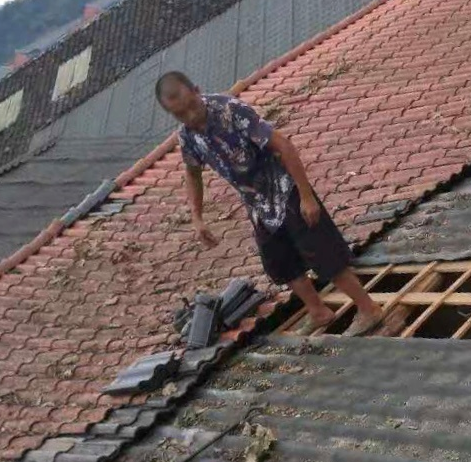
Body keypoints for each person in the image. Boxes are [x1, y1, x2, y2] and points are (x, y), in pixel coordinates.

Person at [155, 71, 384, 336]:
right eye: (181, 114)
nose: (191, 116)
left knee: (323, 253)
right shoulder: (188, 136)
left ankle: (368, 309)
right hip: (258, 204)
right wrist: (197, 217)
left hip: (286, 189)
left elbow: (283, 146)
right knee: (280, 262)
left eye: (192, 106)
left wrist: (306, 196)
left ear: (197, 90)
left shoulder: (230, 111)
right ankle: (318, 311)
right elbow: (192, 173)